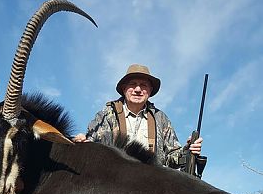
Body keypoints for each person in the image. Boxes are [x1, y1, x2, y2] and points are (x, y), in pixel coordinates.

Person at [74, 64, 203, 169]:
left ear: (150, 91)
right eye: (132, 84)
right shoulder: (106, 115)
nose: (137, 89)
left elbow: (171, 159)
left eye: (143, 85)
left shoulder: (161, 119)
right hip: (114, 182)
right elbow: (93, 147)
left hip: (151, 185)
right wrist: (82, 144)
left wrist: (187, 151)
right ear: (124, 89)